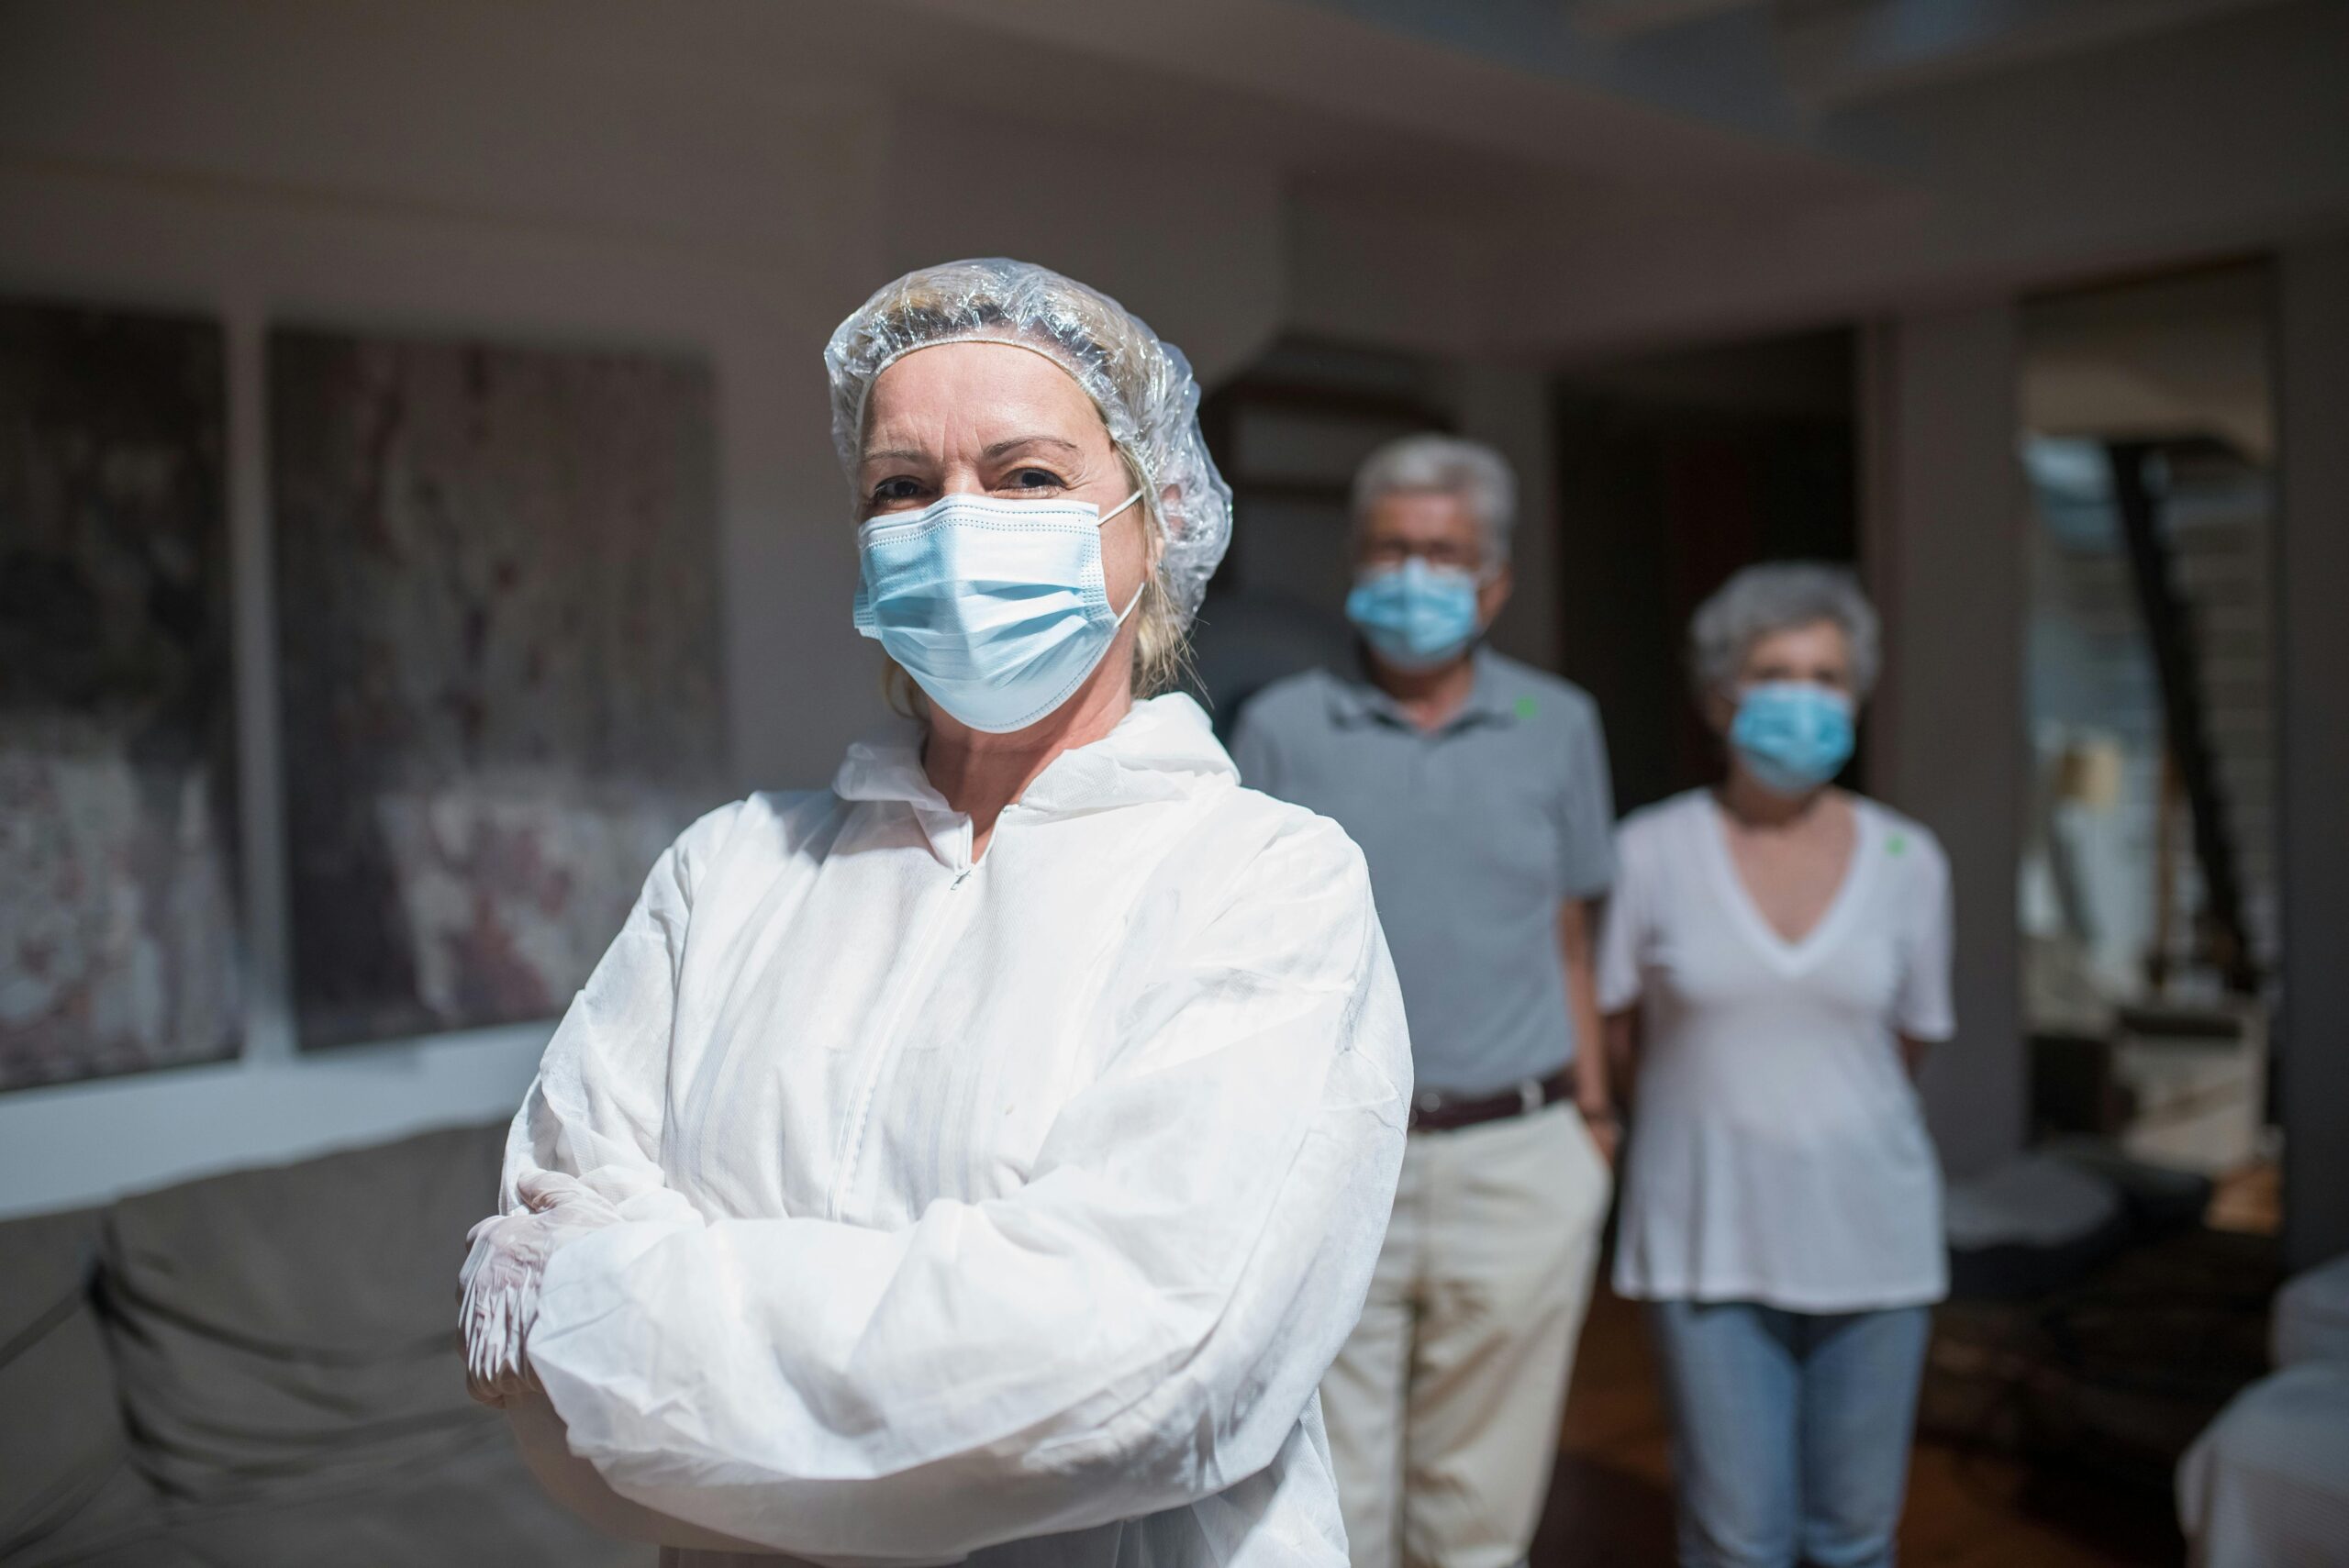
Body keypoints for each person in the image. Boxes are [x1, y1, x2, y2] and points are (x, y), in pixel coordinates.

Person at [456, 258, 1414, 1568]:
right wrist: (937, 1358)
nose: (955, 524)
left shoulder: (1266, 883)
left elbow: (1145, 1371)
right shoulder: (728, 872)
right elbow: (542, 1338)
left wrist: (637, 1314)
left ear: (1155, 517)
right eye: (902, 487)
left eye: (1026, 478)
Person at [1231, 434, 1619, 1568]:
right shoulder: (1281, 726)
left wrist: (1594, 1119)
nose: (1415, 574)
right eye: (1392, 548)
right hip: (1343, 1155)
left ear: (1493, 582)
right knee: (1328, 1498)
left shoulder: (1561, 725)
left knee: (1481, 1515)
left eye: (1443, 553)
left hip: (1523, 1151)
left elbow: (1569, 932)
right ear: (1354, 564)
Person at [1595, 562, 1955, 1568]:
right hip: (1705, 1233)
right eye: (1773, 670)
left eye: (1826, 676)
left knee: (1853, 1536)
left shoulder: (1909, 862)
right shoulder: (1650, 851)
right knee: (1734, 1537)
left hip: (1875, 1242)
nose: (1801, 696)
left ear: (1857, 696)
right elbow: (1618, 1032)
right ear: (1720, 695)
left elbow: (1905, 1046)